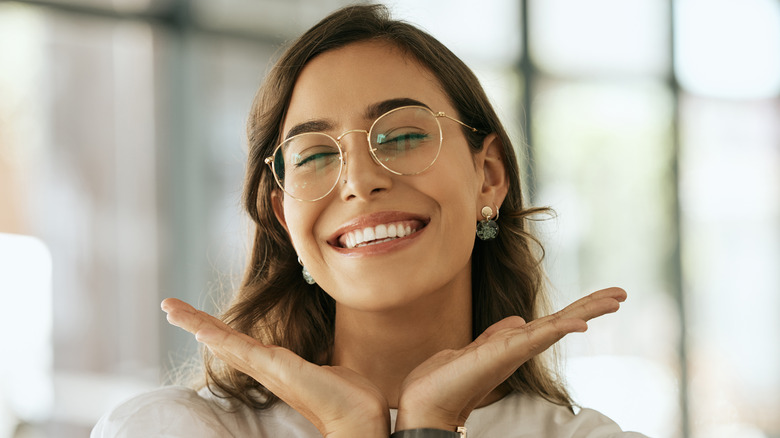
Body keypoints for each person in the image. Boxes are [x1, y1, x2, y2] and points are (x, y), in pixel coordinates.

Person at [93, 4, 646, 437]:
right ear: (283, 213)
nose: (359, 180)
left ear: (489, 177)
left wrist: (430, 425)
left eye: (403, 136)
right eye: (313, 155)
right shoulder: (170, 430)